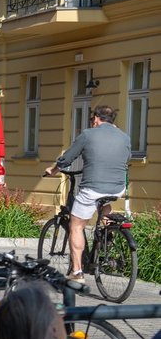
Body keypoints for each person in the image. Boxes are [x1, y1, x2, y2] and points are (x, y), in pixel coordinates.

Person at [44, 104, 131, 280]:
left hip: (93, 187)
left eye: (92, 119)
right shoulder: (124, 137)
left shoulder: (88, 134)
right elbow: (126, 158)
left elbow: (68, 157)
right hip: (118, 187)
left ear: (97, 119)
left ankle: (77, 271)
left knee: (76, 225)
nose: (92, 122)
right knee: (104, 203)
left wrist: (53, 170)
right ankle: (107, 236)